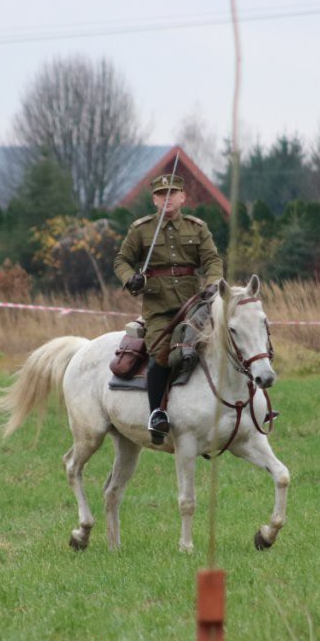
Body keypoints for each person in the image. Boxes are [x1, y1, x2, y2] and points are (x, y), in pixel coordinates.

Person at [114, 173, 223, 444]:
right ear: (154, 199)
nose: (167, 198)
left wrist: (213, 284)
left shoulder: (197, 228)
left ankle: (248, 402)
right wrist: (131, 279)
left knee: (230, 338)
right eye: (161, 195)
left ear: (183, 197)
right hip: (159, 309)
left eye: (173, 193)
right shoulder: (140, 230)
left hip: (194, 305)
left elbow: (212, 260)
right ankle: (157, 414)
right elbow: (122, 261)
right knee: (164, 353)